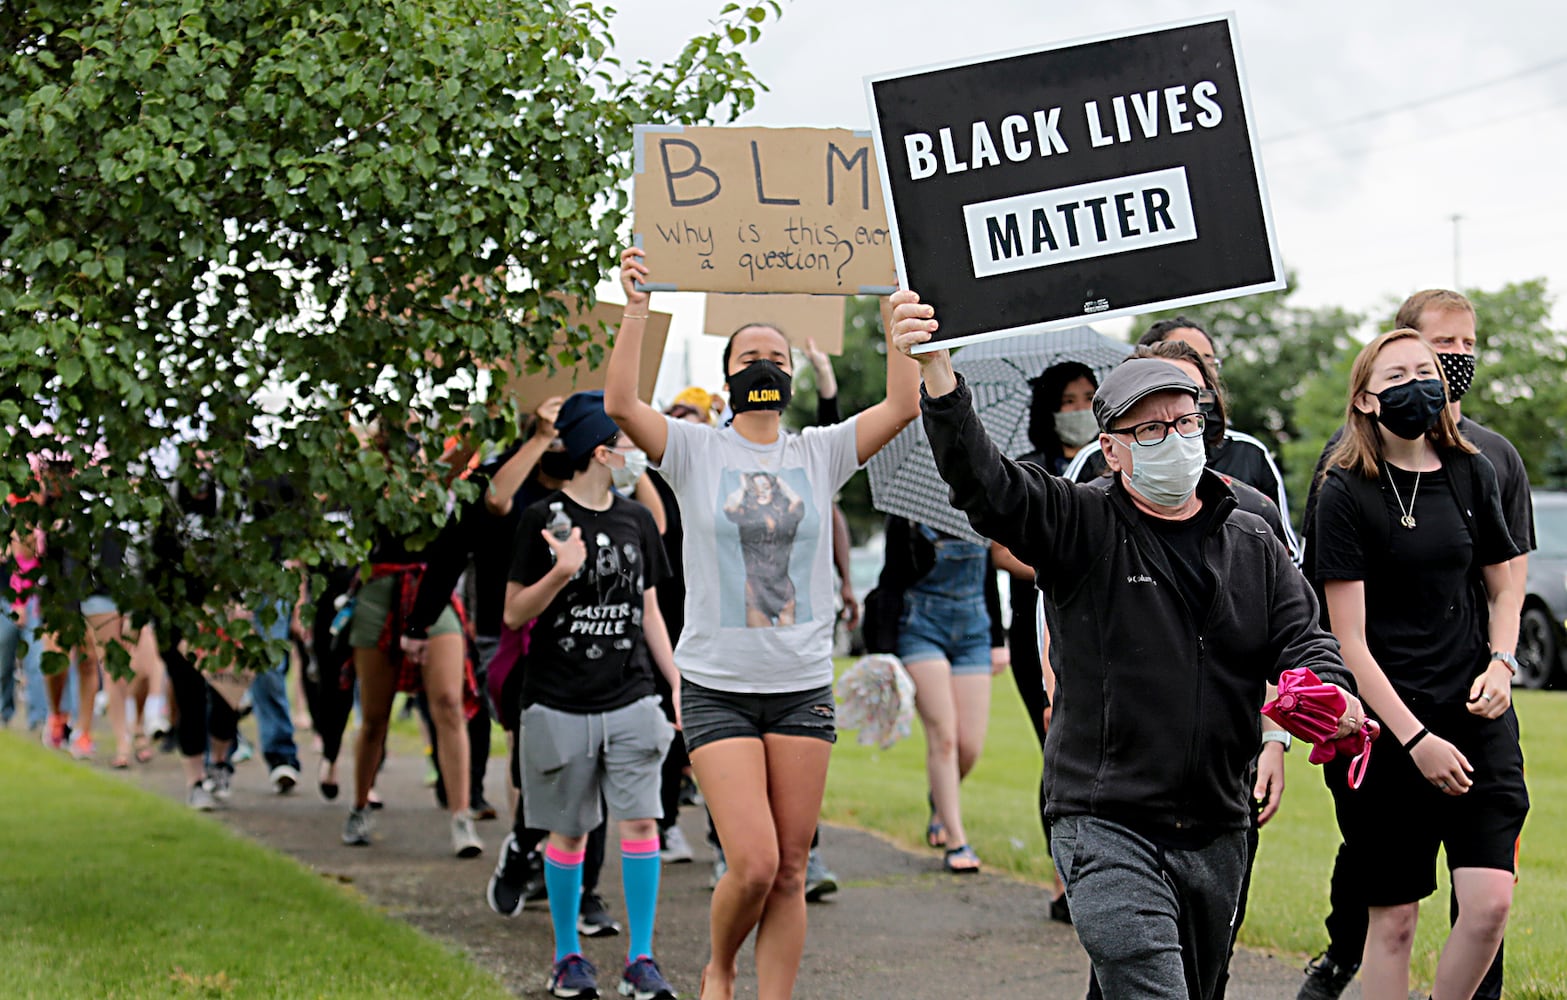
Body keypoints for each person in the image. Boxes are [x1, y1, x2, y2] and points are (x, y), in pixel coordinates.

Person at [891, 288, 1362, 1000]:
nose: (1173, 439)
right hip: (1102, 819)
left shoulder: (1252, 535)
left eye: (1183, 421)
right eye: (1149, 431)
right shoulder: (1078, 522)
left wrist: (1325, 693)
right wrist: (935, 371)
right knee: (1150, 988)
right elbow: (986, 485)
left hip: (1216, 822)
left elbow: (1303, 637)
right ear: (1109, 449)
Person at [605, 247, 920, 1000]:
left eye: (775, 357)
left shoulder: (818, 452)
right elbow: (620, 405)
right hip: (717, 686)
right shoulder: (692, 449)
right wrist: (638, 305)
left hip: (801, 688)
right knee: (749, 861)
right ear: (728, 375)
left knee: (788, 868)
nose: (764, 365)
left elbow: (902, 405)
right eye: (749, 356)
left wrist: (891, 314)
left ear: (792, 374)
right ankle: (719, 967)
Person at [1296, 290, 1535, 1000]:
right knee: (1393, 922)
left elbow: (1501, 585)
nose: (1417, 385)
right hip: (1387, 728)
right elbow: (1349, 642)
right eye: (1394, 377)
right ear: (1365, 401)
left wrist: (1502, 659)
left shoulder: (1472, 469)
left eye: (1424, 370)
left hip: (1477, 716)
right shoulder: (1342, 489)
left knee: (1488, 904)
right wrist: (1415, 740)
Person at [504, 391, 681, 1000]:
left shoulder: (635, 520)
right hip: (557, 701)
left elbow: (649, 610)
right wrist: (559, 571)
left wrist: (676, 683)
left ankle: (641, 959)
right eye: (628, 442)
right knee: (570, 833)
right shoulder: (543, 520)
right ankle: (568, 958)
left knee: (640, 823)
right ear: (602, 451)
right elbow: (511, 614)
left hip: (631, 696)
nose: (639, 453)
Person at [342, 423, 483, 859]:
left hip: (431, 589)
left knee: (447, 703)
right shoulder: (368, 478)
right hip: (379, 588)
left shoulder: (434, 479)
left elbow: (463, 452)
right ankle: (361, 803)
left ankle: (461, 816)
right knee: (375, 715)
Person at [1068, 317, 1299, 557]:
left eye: (1192, 398)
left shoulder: (1254, 511)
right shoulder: (1086, 518)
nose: (1174, 433)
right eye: (1152, 424)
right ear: (1110, 449)